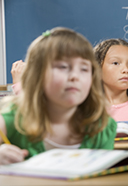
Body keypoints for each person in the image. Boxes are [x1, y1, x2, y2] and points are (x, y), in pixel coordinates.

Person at [0, 27, 117, 165]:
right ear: (37, 75)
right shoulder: (12, 119)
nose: (75, 76)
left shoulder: (103, 127)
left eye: (84, 69)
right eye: (63, 67)